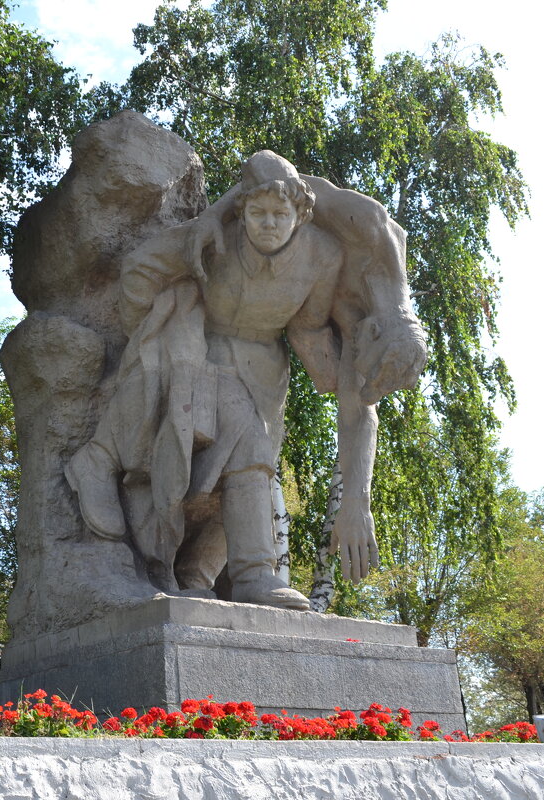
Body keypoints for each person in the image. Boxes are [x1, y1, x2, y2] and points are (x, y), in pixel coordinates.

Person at [66, 151, 426, 610]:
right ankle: (250, 572)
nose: (270, 225)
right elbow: (140, 268)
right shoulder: (217, 238)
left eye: (281, 214)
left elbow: (308, 326)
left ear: (301, 214)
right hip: (197, 345)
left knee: (250, 470)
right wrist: (157, 322)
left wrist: (331, 372)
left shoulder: (325, 255)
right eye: (258, 213)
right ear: (242, 211)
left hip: (263, 370)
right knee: (223, 450)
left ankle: (199, 573)